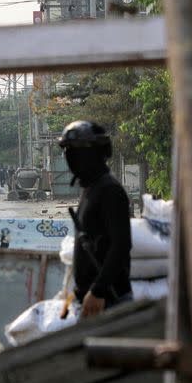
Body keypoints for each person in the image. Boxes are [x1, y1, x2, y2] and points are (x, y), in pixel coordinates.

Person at [58, 120, 132, 319]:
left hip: (108, 301)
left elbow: (121, 245)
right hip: (91, 300)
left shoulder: (109, 190)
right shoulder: (90, 188)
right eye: (69, 150)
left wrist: (99, 290)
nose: (72, 157)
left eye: (79, 150)